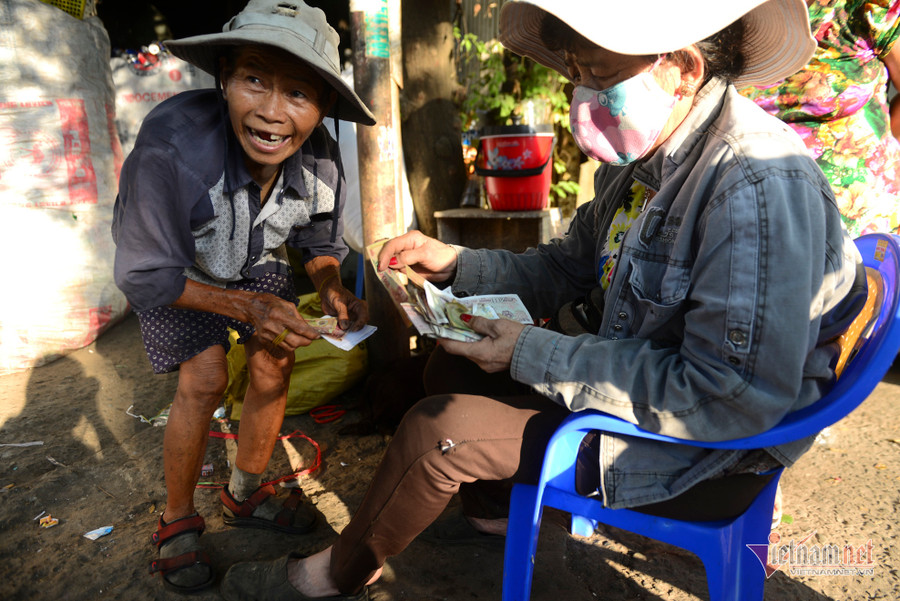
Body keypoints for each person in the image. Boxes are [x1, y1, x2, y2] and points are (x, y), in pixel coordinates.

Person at [220, 0, 867, 599]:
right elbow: (566, 264)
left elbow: (730, 395)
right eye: (576, 70)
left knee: (437, 433)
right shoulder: (640, 156)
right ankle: (499, 512)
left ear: (683, 70)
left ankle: (329, 577)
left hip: (715, 445)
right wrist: (454, 263)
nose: (581, 92)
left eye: (600, 72)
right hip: (664, 383)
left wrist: (533, 351)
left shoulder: (752, 185)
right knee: (447, 366)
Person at [110, 0, 375, 593]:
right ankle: (177, 521)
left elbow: (319, 240)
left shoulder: (321, 156)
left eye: (299, 94)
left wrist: (330, 285)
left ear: (324, 106)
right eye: (254, 80)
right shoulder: (170, 150)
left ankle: (245, 493)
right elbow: (146, 275)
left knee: (273, 363)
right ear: (224, 76)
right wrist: (248, 307)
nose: (272, 113)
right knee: (204, 379)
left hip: (253, 259)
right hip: (177, 269)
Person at [740, 0, 900, 238]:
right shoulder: (732, 13)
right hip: (758, 213)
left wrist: (885, 152)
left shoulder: (871, 8)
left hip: (858, 224)